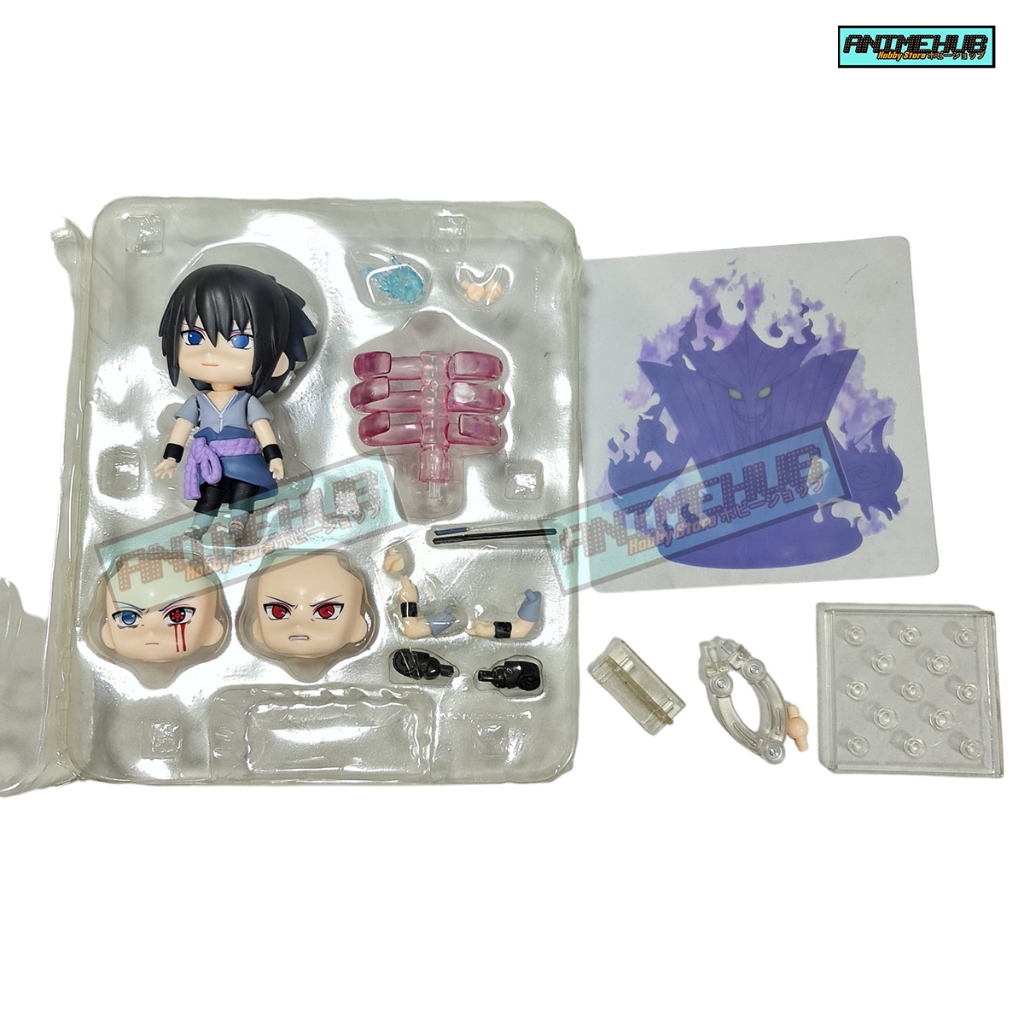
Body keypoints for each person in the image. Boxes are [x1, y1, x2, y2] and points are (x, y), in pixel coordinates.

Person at [153, 264, 316, 538]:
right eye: (193, 337)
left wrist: (274, 457)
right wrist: (171, 457)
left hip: (244, 457)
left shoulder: (246, 402)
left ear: (278, 358)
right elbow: (181, 429)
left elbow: (263, 429)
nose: (211, 354)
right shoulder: (197, 402)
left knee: (244, 489)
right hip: (209, 460)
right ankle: (199, 526)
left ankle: (239, 522)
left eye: (240, 341)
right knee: (210, 492)